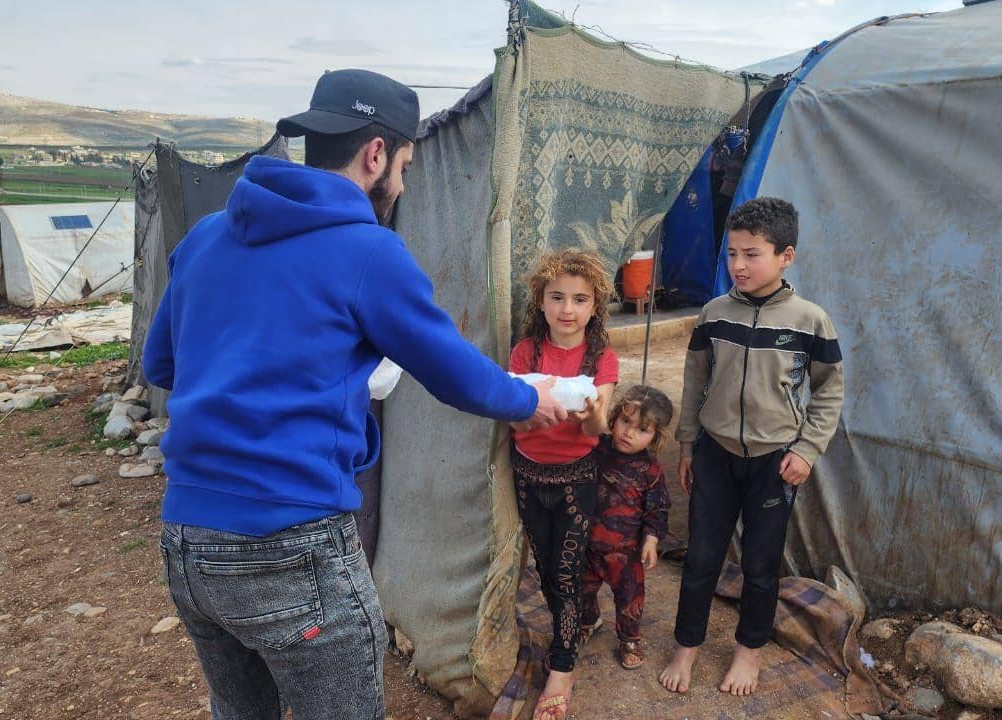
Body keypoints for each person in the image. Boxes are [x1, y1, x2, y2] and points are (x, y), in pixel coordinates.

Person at [142, 68, 567, 720]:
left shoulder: (204, 238)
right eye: (404, 164)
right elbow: (457, 375)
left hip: (189, 543)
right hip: (291, 543)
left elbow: (164, 365)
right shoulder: (367, 250)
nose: (401, 181)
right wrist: (531, 397)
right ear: (376, 154)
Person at [658, 196, 844, 697]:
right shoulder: (715, 314)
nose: (738, 265)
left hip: (774, 462)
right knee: (701, 557)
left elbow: (830, 390)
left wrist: (807, 450)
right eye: (732, 253)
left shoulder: (809, 321)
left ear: (786, 256)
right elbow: (695, 380)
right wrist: (688, 442)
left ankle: (748, 652)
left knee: (762, 564)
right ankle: (687, 646)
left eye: (752, 253)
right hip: (716, 454)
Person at [508, 249, 618, 720]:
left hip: (576, 479)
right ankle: (580, 620)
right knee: (546, 568)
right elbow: (518, 424)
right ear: (541, 301)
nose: (567, 309)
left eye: (579, 299)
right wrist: (537, 412)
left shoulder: (601, 358)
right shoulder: (525, 351)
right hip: (530, 476)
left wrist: (590, 410)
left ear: (595, 306)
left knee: (565, 572)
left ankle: (563, 665)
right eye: (557, 297)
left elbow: (596, 431)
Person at [580, 384, 673, 671]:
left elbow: (658, 508)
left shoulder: (651, 469)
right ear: (614, 417)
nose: (629, 433)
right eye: (625, 421)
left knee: (630, 599)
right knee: (580, 590)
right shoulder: (596, 449)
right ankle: (588, 620)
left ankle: (629, 638)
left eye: (642, 430)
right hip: (587, 543)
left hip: (626, 552)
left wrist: (651, 540)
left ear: (656, 436)